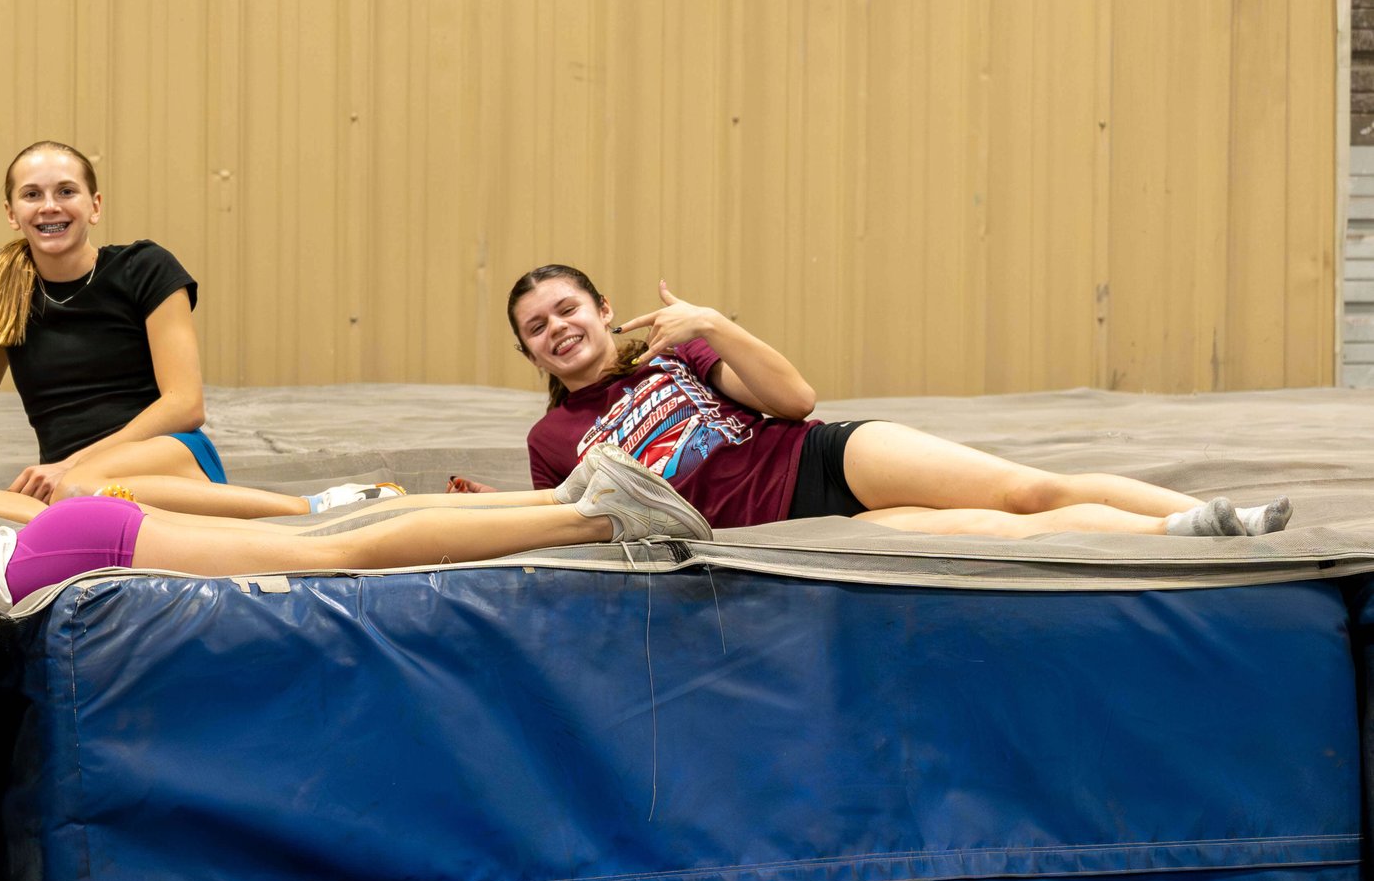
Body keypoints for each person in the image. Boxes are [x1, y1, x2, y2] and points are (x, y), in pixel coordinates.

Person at [0, 360, 711, 609]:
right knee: (339, 530)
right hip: (42, 550)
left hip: (56, 553)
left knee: (325, 552)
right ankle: (596, 503)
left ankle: (598, 509)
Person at [505, 264, 1293, 539]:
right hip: (777, 528)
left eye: (567, 310)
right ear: (530, 351)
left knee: (1023, 491)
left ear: (603, 308)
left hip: (822, 455)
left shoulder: (679, 352)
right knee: (985, 529)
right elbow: (578, 522)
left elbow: (793, 397)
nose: (558, 329)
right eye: (537, 328)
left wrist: (712, 322)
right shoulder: (554, 438)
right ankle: (1171, 529)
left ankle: (1226, 519)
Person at [0, 141, 241, 507]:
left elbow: (185, 404)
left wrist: (72, 465)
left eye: (66, 191)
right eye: (32, 194)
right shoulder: (1, 282)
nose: (50, 206)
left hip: (164, 458)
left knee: (78, 488)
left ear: (94, 206)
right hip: (69, 485)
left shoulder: (144, 268)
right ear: (12, 213)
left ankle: (307, 508)